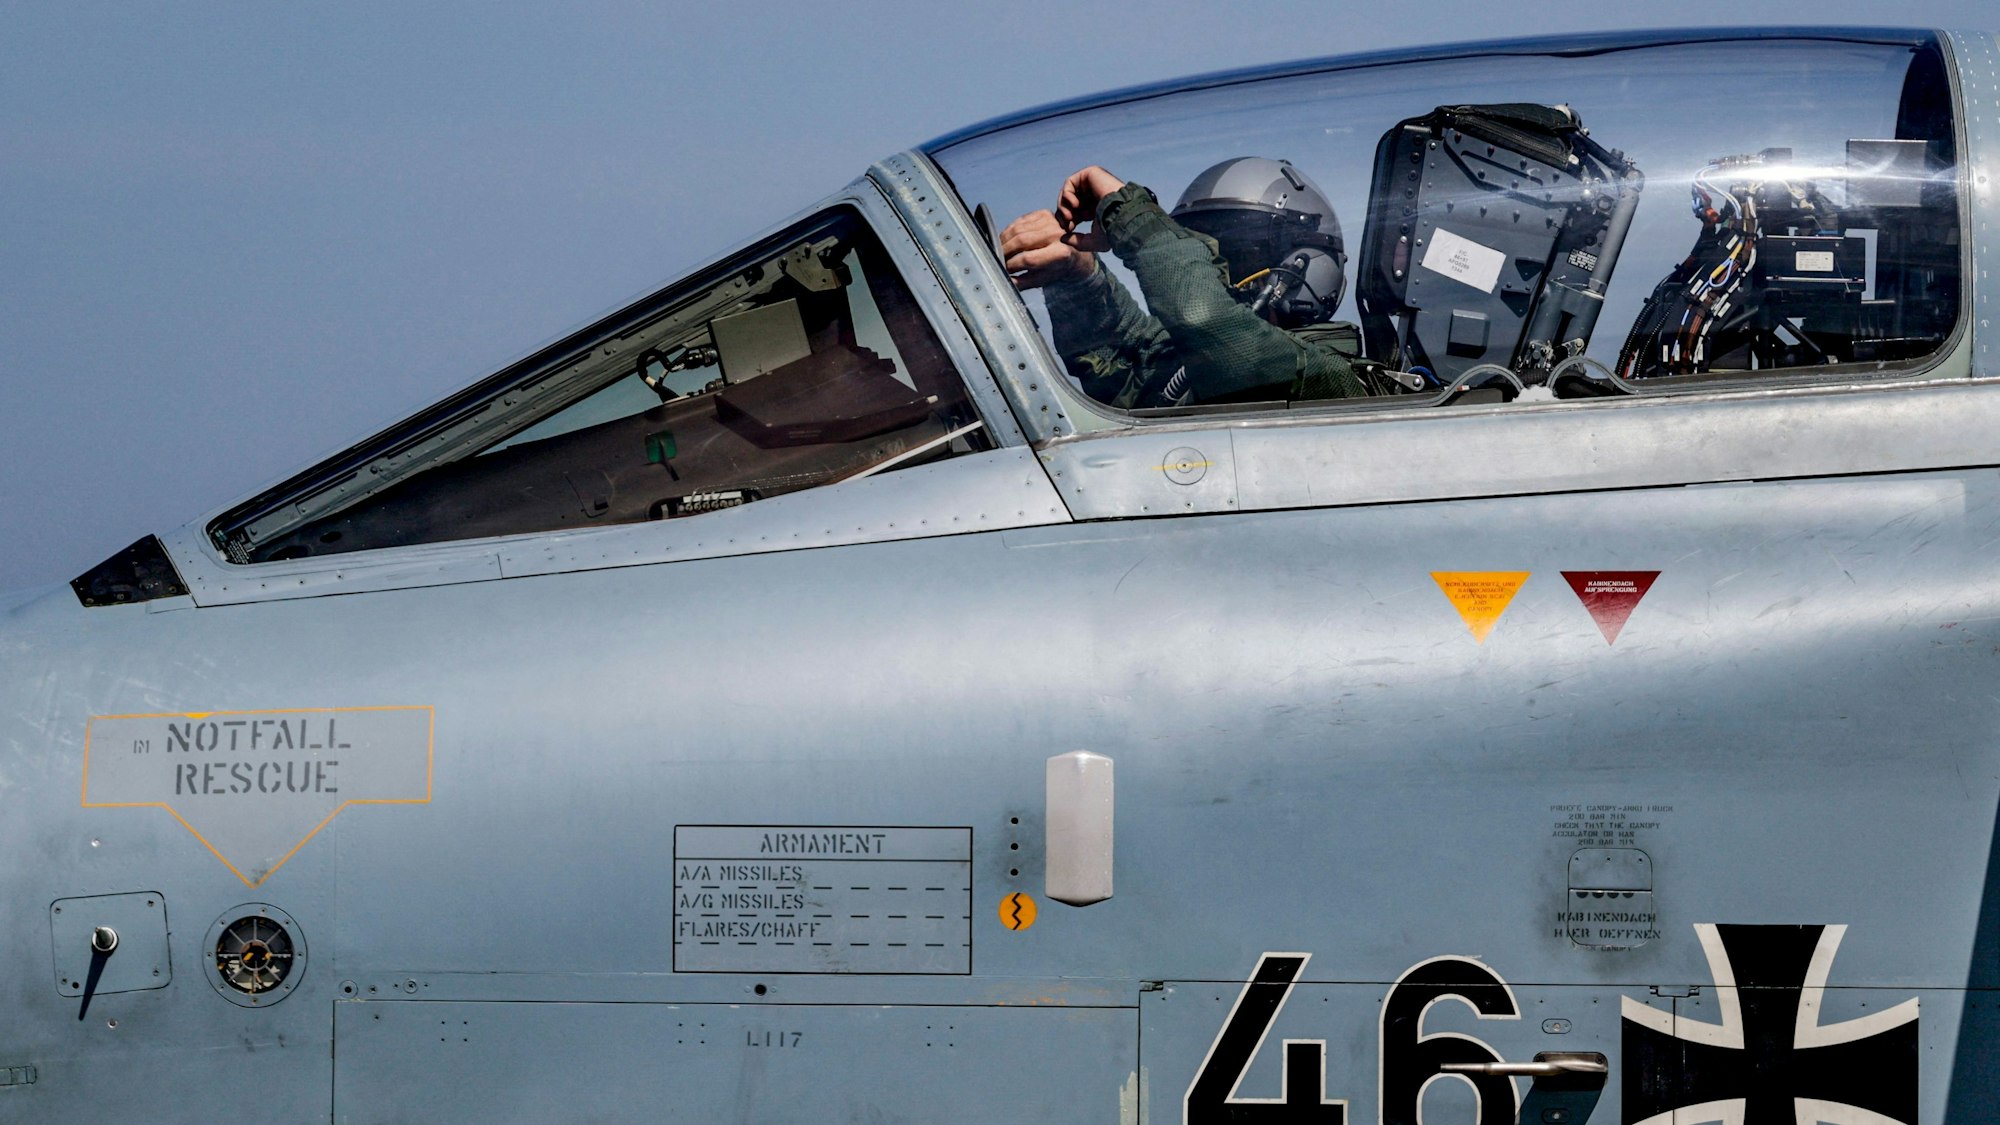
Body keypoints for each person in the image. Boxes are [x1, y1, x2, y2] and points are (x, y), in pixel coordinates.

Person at [1001, 159, 1401, 409]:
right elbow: (1126, 368)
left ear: (1303, 262)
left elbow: (1205, 320)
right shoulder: (1201, 372)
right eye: (1200, 247)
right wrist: (1080, 276)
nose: (1213, 266)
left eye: (1236, 250)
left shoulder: (1343, 385)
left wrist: (1129, 214)